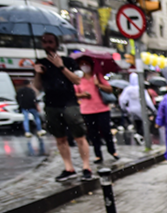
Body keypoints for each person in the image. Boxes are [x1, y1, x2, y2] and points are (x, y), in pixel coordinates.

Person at [33, 33, 93, 182]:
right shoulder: (40, 63)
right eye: (45, 42)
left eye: (50, 42)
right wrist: (38, 73)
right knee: (60, 138)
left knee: (79, 136)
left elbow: (77, 80)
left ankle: (86, 167)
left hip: (69, 103)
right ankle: (69, 168)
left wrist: (61, 67)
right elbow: (37, 87)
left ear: (57, 44)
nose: (47, 45)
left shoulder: (68, 61)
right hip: (51, 104)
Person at [74, 56, 119, 164]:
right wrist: (83, 95)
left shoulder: (98, 77)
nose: (84, 66)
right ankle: (98, 155)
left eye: (86, 64)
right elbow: (74, 94)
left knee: (106, 131)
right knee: (93, 134)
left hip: (102, 109)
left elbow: (109, 89)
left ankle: (112, 150)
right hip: (87, 110)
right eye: (82, 64)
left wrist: (98, 84)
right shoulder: (79, 80)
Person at [118, 73, 155, 145]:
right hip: (141, 109)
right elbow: (147, 101)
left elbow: (122, 100)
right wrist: (153, 109)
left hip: (132, 109)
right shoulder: (141, 88)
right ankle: (141, 136)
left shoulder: (127, 89)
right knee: (145, 123)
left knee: (137, 123)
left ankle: (139, 135)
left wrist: (124, 109)